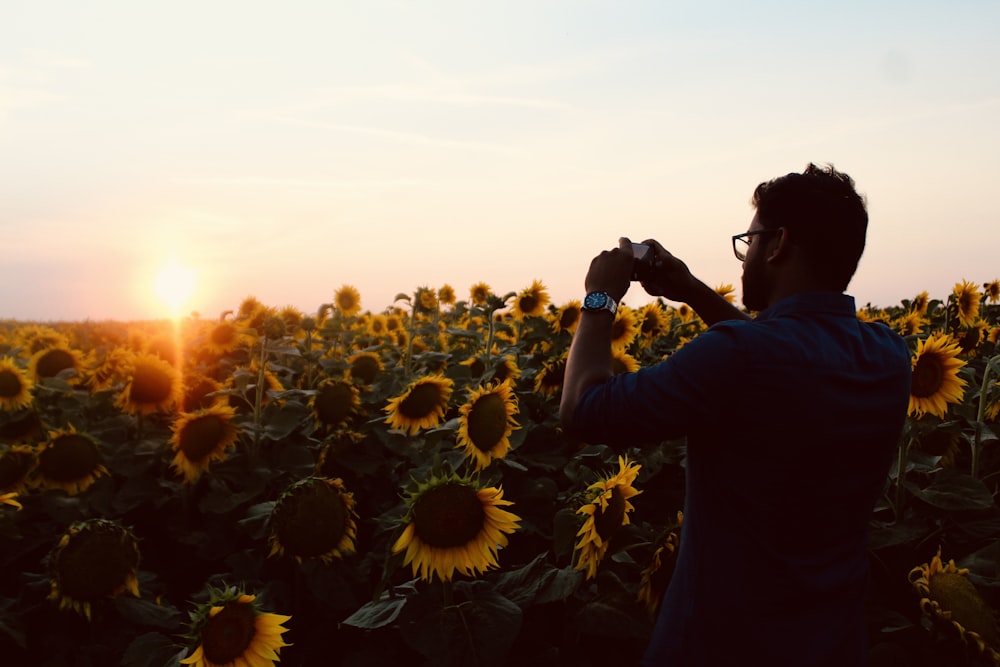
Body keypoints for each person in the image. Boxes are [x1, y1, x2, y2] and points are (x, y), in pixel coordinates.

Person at [559, 163, 912, 666]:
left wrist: (599, 299)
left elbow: (583, 410)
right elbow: (778, 354)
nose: (744, 258)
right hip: (832, 641)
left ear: (778, 243)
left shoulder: (738, 358)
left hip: (718, 641)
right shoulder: (888, 355)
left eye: (749, 241)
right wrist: (692, 290)